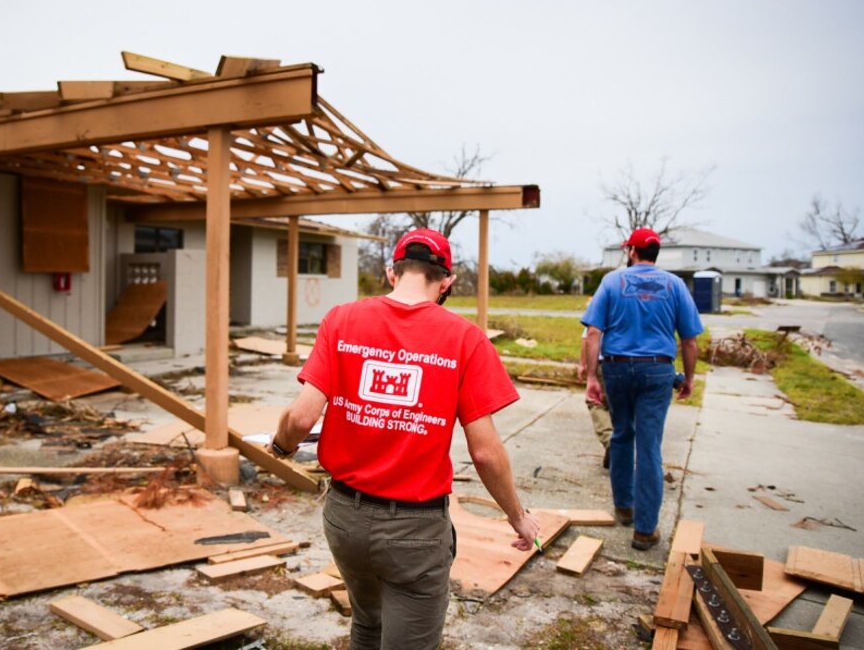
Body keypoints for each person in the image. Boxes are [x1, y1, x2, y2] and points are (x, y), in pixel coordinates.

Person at [270, 227, 540, 650]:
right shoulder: (465, 340)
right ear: (446, 282)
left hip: (345, 518)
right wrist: (517, 516)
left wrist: (281, 447)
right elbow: (485, 453)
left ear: (391, 274)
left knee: (367, 625)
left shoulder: (340, 320)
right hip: (414, 531)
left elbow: (302, 417)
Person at [581, 228, 703, 551]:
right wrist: (689, 378)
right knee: (649, 446)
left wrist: (592, 377)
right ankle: (645, 530)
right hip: (657, 369)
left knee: (622, 433)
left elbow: (594, 332)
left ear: (632, 252)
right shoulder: (675, 285)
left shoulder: (612, 282)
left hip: (617, 368)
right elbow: (689, 340)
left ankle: (624, 508)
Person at [578, 324, 612, 468]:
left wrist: (583, 364)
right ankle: (618, 449)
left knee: (596, 402)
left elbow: (590, 335)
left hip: (604, 362)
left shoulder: (601, 302)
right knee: (621, 408)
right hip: (634, 362)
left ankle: (611, 442)